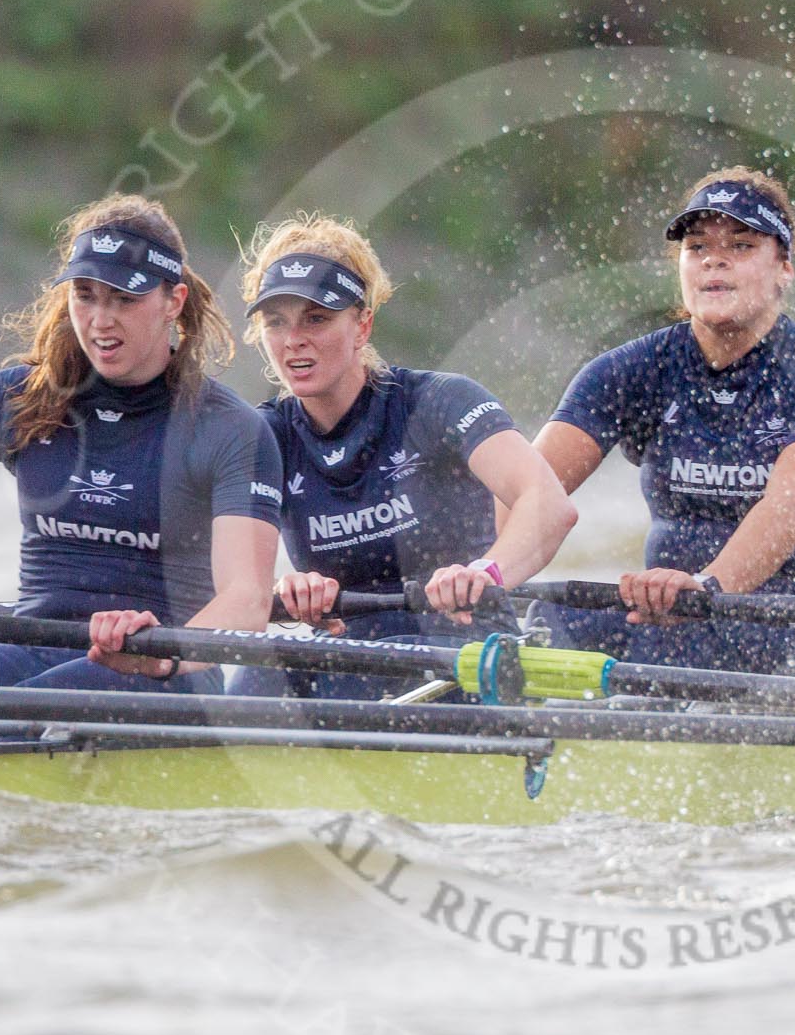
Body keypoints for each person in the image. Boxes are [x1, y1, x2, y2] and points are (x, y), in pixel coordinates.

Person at [0, 195, 280, 695]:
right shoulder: (12, 399)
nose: (100, 320)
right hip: (35, 650)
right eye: (86, 295)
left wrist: (162, 658)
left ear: (173, 301)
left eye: (124, 300)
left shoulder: (229, 430)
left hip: (165, 671)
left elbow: (247, 602)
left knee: (54, 697)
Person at [531, 167, 795, 674]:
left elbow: (793, 504)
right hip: (678, 627)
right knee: (547, 623)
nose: (714, 258)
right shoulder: (631, 369)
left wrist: (708, 586)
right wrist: (481, 569)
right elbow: (530, 492)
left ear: (784, 268)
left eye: (740, 245)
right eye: (697, 247)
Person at [229, 213, 576, 698]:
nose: (293, 341)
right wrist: (290, 589)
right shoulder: (261, 436)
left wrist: (485, 572)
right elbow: (229, 580)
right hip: (347, 649)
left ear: (362, 324)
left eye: (317, 318)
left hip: (461, 641)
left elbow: (549, 504)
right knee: (249, 687)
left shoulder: (439, 401)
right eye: (276, 322)